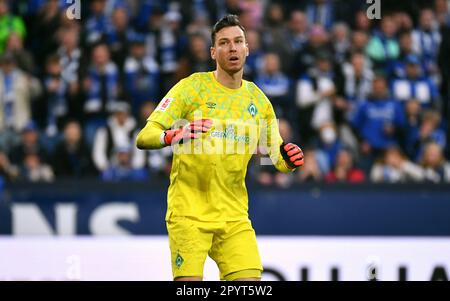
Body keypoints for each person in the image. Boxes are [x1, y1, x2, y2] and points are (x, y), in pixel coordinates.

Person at [136, 15, 304, 281]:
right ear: (214, 52)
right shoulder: (191, 89)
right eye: (224, 43)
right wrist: (174, 135)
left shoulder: (259, 101)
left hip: (234, 217)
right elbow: (145, 136)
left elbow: (275, 157)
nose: (233, 48)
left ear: (247, 48)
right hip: (189, 214)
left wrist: (289, 160)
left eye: (238, 42)